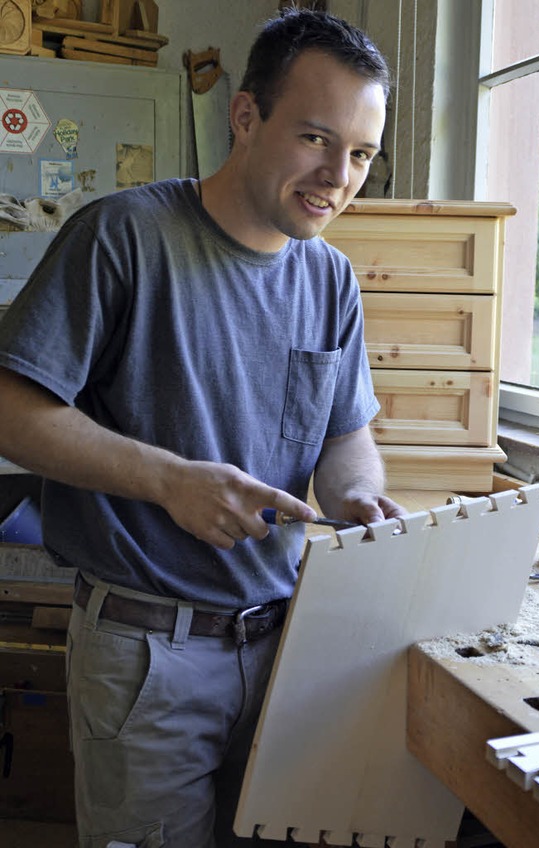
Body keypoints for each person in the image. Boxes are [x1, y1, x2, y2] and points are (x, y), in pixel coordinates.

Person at [0, 8, 404, 848]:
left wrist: (362, 498)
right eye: (316, 139)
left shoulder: (330, 277)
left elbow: (343, 433)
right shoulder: (123, 235)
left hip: (290, 646)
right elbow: (13, 411)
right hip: (148, 656)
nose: (339, 176)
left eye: (361, 154)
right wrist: (168, 480)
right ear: (246, 117)